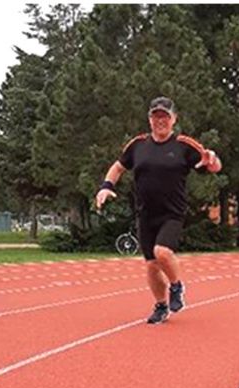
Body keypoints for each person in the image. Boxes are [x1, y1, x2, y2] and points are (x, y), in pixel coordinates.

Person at [95, 96, 222, 325]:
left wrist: (212, 160)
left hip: (172, 213)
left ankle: (176, 286)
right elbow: (118, 167)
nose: (160, 121)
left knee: (162, 252)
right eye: (156, 116)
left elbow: (212, 164)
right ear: (149, 119)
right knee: (152, 264)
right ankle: (161, 306)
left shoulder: (184, 145)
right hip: (145, 214)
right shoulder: (138, 145)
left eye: (165, 116)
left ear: (174, 119)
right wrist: (106, 187)